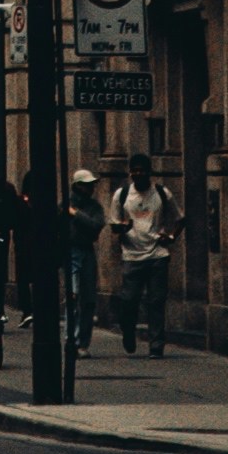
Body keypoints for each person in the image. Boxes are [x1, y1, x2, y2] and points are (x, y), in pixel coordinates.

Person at [107, 152, 173, 360]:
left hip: (157, 255)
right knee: (129, 300)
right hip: (132, 256)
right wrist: (123, 227)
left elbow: (180, 218)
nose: (138, 175)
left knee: (156, 301)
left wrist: (170, 236)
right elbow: (114, 224)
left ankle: (156, 345)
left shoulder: (162, 193)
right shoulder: (122, 194)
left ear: (149, 173)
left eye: (142, 171)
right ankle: (128, 332)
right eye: (134, 171)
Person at [61, 155, 107, 368]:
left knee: (87, 300)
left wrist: (75, 215)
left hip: (86, 251)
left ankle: (82, 342)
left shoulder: (93, 207)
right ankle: (72, 338)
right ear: (78, 186)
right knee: (73, 297)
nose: (91, 189)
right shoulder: (65, 204)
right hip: (71, 251)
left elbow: (95, 225)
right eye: (87, 185)